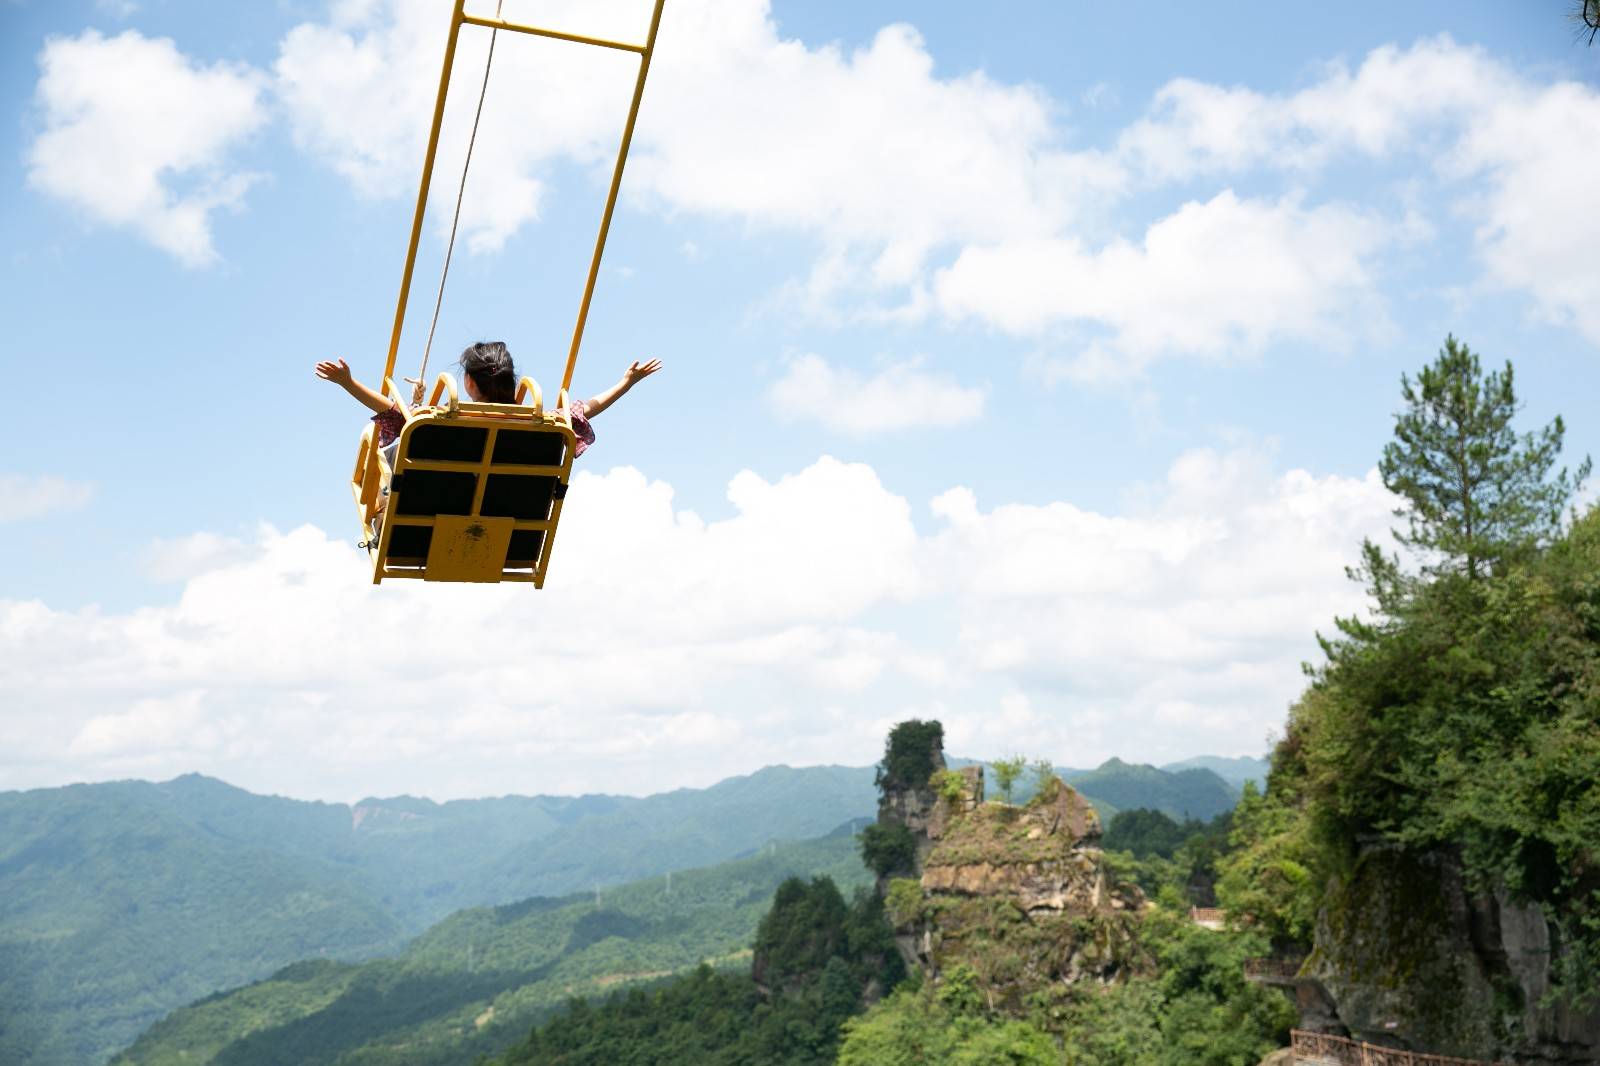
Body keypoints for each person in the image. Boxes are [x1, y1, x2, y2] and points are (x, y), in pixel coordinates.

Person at [314, 341, 662, 463]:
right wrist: (626, 383)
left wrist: (347, 382)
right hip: (513, 515)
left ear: (467, 382)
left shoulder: (436, 420)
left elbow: (390, 411)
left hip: (435, 509)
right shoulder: (537, 422)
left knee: (383, 464)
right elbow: (586, 408)